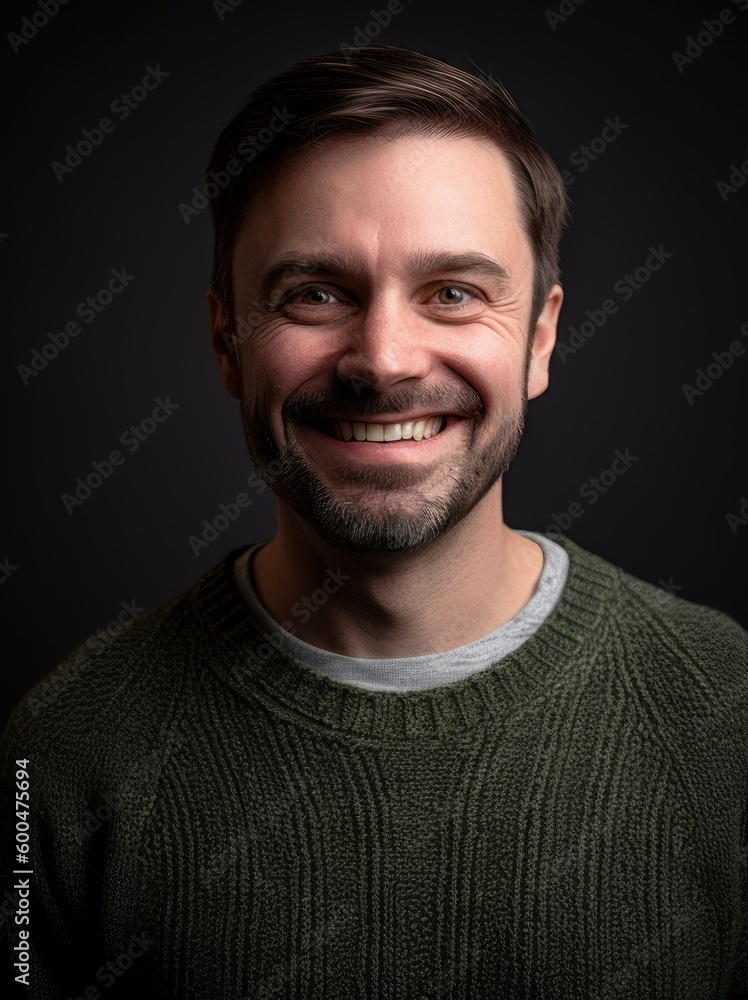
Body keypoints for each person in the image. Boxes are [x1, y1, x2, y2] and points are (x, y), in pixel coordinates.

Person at [2, 43, 746, 1000]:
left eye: (454, 293)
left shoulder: (724, 708)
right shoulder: (58, 756)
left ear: (541, 337)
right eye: (315, 293)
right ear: (227, 341)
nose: (384, 360)